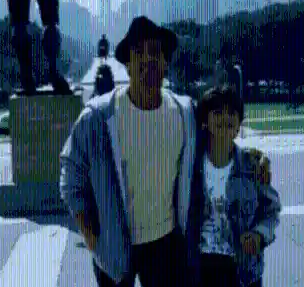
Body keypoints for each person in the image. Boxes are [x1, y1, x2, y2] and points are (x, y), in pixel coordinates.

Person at [60, 16, 271, 287]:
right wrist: (91, 236)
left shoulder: (184, 113)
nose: (149, 61)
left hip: (166, 242)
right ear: (127, 62)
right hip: (113, 243)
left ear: (166, 62)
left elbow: (218, 137)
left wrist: (253, 157)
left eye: (156, 53)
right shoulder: (99, 118)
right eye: (140, 53)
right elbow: (70, 174)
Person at [188, 86, 281, 287]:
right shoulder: (191, 167)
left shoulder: (252, 166)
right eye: (218, 112)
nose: (225, 118)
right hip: (200, 268)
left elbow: (271, 210)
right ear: (205, 121)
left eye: (232, 113)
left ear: (239, 124)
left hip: (242, 270)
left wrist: (258, 234)